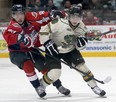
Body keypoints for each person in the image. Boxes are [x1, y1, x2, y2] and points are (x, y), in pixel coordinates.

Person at [3, 4, 70, 98]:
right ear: (12, 15)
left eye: (21, 14)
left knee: (46, 68)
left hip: (32, 49)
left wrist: (52, 14)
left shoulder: (31, 17)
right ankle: (38, 87)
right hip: (17, 52)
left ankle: (59, 86)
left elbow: (43, 16)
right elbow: (8, 37)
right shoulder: (12, 27)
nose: (19, 17)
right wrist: (19, 38)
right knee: (27, 64)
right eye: (16, 14)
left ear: (24, 13)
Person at [39, 4, 106, 96]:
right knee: (55, 73)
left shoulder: (81, 26)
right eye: (73, 17)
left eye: (78, 17)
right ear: (69, 16)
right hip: (53, 50)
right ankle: (41, 85)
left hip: (70, 50)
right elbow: (43, 31)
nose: (75, 20)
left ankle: (94, 86)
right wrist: (47, 43)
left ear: (81, 17)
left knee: (83, 68)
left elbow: (81, 44)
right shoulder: (59, 22)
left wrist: (81, 43)